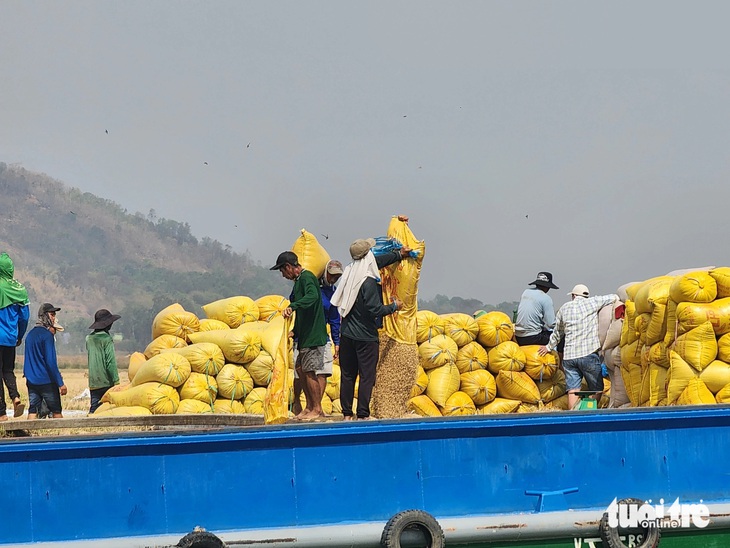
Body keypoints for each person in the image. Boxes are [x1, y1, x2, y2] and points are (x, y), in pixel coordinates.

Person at [331, 238, 407, 420]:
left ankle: (347, 414)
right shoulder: (368, 282)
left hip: (347, 335)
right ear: (368, 255)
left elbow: (378, 261)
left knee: (347, 376)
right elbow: (375, 309)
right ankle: (363, 414)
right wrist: (394, 306)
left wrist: (398, 255)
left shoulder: (350, 272)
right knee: (366, 376)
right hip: (365, 337)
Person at [538, 284, 619, 410]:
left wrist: (548, 347)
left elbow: (558, 332)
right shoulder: (592, 303)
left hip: (569, 357)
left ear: (573, 295)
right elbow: (614, 297)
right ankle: (589, 412)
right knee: (597, 388)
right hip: (588, 355)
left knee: (573, 390)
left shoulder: (564, 308)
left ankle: (573, 415)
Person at [271, 251, 329, 420]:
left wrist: (293, 305)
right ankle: (309, 406)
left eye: (282, 271)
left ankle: (317, 408)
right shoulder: (298, 283)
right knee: (300, 369)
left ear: (289, 267)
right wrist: (294, 330)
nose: (283, 275)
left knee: (310, 371)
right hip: (304, 335)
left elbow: (312, 297)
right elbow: (304, 312)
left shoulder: (307, 278)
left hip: (313, 335)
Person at [292, 260, 343, 416]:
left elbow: (334, 318)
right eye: (331, 275)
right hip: (304, 334)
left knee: (321, 372)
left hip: (321, 336)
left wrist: (337, 341)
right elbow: (295, 299)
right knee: (301, 372)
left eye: (337, 277)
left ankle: (316, 407)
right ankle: (300, 403)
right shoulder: (311, 287)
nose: (333, 279)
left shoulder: (333, 293)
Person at [0, 252, 30, 420]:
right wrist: (19, 335)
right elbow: (25, 317)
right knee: (8, 370)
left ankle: (1, 413)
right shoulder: (20, 288)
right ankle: (15, 397)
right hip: (11, 338)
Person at [24, 303, 67, 419]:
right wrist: (60, 383)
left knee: (33, 410)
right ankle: (61, 436)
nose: (54, 318)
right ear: (44, 316)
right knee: (56, 410)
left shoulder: (30, 335)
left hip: (32, 380)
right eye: (52, 315)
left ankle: (28, 435)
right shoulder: (47, 336)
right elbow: (50, 362)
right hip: (46, 381)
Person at [86, 308, 121, 414]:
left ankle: (89, 424)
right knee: (108, 409)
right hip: (106, 381)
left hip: (93, 381)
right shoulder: (107, 339)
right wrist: (116, 381)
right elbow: (110, 362)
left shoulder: (89, 338)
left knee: (94, 408)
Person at [514, 271, 559, 346]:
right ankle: (561, 357)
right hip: (533, 337)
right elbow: (551, 323)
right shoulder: (546, 298)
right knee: (561, 337)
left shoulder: (526, 292)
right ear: (547, 287)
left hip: (518, 336)